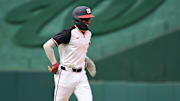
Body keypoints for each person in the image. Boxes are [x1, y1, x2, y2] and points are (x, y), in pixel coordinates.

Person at [43, 6, 96, 101]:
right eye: (85, 19)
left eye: (88, 18)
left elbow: (79, 50)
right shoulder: (68, 33)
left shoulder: (88, 34)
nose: (88, 21)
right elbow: (47, 46)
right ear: (77, 19)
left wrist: (86, 59)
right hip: (65, 75)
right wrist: (54, 64)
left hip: (81, 75)